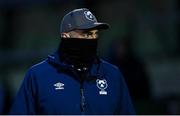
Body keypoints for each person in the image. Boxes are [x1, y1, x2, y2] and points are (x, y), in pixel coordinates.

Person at [9, 8, 135, 115]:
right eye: (86, 34)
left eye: (95, 34)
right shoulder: (38, 76)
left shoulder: (112, 74)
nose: (92, 39)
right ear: (65, 36)